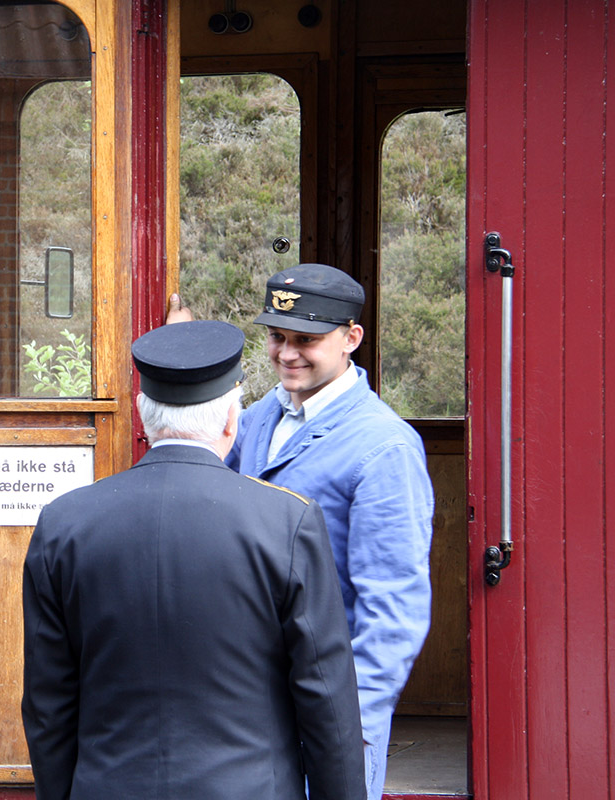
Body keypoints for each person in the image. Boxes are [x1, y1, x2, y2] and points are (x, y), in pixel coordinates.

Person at [21, 320, 365, 800]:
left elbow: (47, 704)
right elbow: (326, 702)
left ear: (143, 416)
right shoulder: (286, 522)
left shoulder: (64, 523)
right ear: (231, 420)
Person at [171, 263, 435, 800]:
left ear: (351, 339)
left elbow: (395, 611)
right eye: (276, 336)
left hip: (329, 711)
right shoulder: (262, 414)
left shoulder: (386, 448)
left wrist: (347, 723)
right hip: (246, 698)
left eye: (306, 340)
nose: (286, 353)